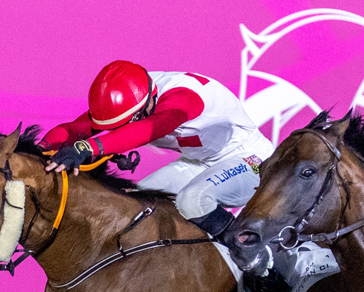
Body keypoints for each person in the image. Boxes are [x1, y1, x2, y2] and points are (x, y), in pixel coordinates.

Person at [42, 60, 274, 237]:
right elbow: (74, 129)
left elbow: (149, 129)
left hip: (250, 159)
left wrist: (87, 147)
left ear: (149, 102)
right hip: (198, 162)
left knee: (193, 200)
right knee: (134, 207)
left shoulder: (183, 96)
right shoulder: (132, 97)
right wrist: (37, 151)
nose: (122, 128)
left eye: (127, 122)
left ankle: (257, 259)